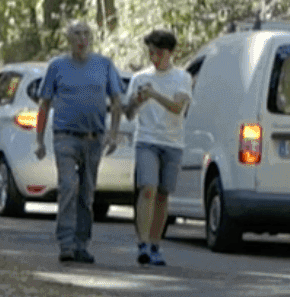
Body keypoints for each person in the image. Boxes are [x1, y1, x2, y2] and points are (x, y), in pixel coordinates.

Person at [30, 20, 125, 265]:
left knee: (87, 192)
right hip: (65, 136)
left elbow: (116, 101)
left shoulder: (103, 65)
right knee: (68, 186)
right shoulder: (57, 66)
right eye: (76, 34)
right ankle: (66, 243)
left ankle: (82, 244)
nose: (81, 39)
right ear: (68, 39)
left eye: (85, 34)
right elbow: (44, 104)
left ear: (91, 38)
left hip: (93, 138)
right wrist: (39, 140)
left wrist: (113, 134)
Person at [123, 28, 190, 266]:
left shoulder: (182, 78)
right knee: (147, 189)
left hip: (172, 142)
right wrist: (136, 101)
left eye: (159, 53)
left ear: (170, 53)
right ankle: (142, 244)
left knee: (162, 195)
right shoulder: (139, 78)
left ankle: (155, 244)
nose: (154, 58)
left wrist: (153, 95)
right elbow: (129, 114)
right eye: (151, 53)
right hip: (147, 141)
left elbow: (177, 108)